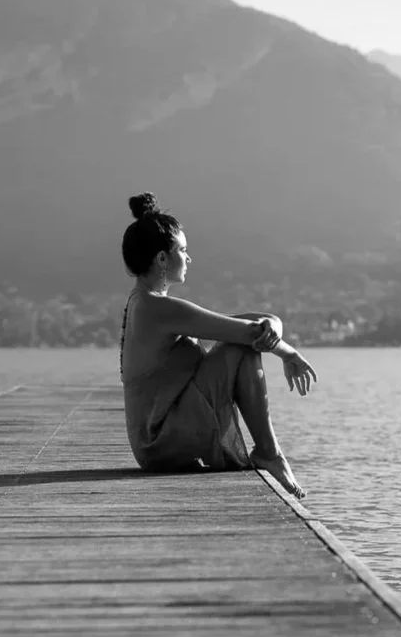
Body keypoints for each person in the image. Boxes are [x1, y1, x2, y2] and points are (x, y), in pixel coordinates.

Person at [120, 192, 317, 499]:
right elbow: (247, 332)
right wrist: (289, 353)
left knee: (240, 344)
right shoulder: (156, 309)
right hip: (160, 441)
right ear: (161, 259)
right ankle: (268, 453)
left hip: (157, 441)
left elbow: (251, 323)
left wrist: (274, 325)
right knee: (240, 348)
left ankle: (269, 453)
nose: (188, 258)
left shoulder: (149, 304)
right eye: (182, 250)